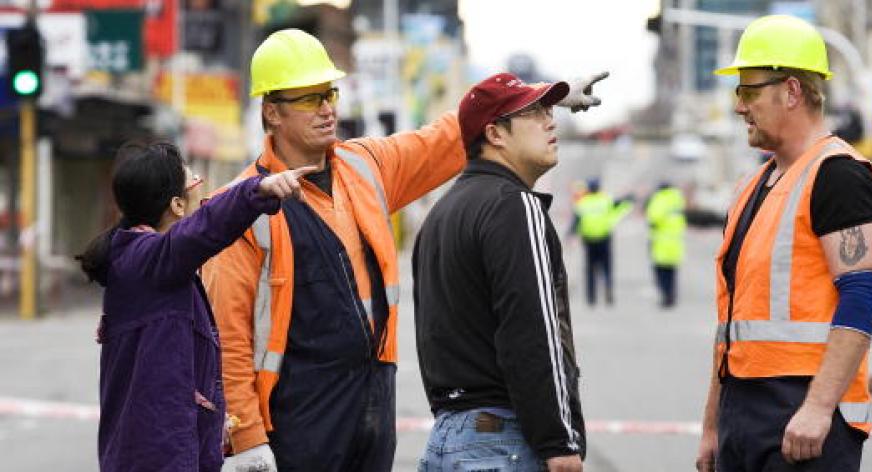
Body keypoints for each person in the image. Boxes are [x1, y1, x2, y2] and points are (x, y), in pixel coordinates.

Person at [202, 29, 607, 472]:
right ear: (271, 112)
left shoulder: (365, 166)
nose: (326, 108)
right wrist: (245, 438)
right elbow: (227, 337)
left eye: (329, 93)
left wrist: (535, 102)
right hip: (295, 418)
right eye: (307, 98)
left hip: (370, 409)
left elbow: (448, 137)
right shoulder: (240, 207)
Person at [695, 15, 872, 472]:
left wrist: (819, 408)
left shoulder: (839, 175)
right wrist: (712, 425)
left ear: (792, 91)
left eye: (748, 91)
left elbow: (862, 295)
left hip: (803, 414)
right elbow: (732, 329)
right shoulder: (751, 186)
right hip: (743, 412)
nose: (739, 106)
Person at [76, 141, 314, 472]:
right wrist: (257, 190)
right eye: (195, 184)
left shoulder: (145, 260)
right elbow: (205, 229)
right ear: (176, 205)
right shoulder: (147, 260)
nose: (202, 197)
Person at [413, 72, 588, 472]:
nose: (551, 121)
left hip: (448, 438)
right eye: (535, 112)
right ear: (495, 134)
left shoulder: (439, 216)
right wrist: (559, 441)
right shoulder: (515, 206)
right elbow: (532, 330)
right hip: (504, 440)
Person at [571, 179, 632, 306]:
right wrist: (629, 199)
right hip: (604, 239)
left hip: (589, 240)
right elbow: (621, 204)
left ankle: (591, 298)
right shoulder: (606, 200)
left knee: (590, 270)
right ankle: (608, 291)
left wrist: (570, 234)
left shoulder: (583, 202)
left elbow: (576, 221)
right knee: (606, 268)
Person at [644, 182, 686, 308]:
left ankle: (665, 296)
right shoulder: (677, 199)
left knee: (661, 272)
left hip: (661, 242)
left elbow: (653, 219)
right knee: (672, 272)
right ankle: (671, 296)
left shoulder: (659, 200)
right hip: (675, 242)